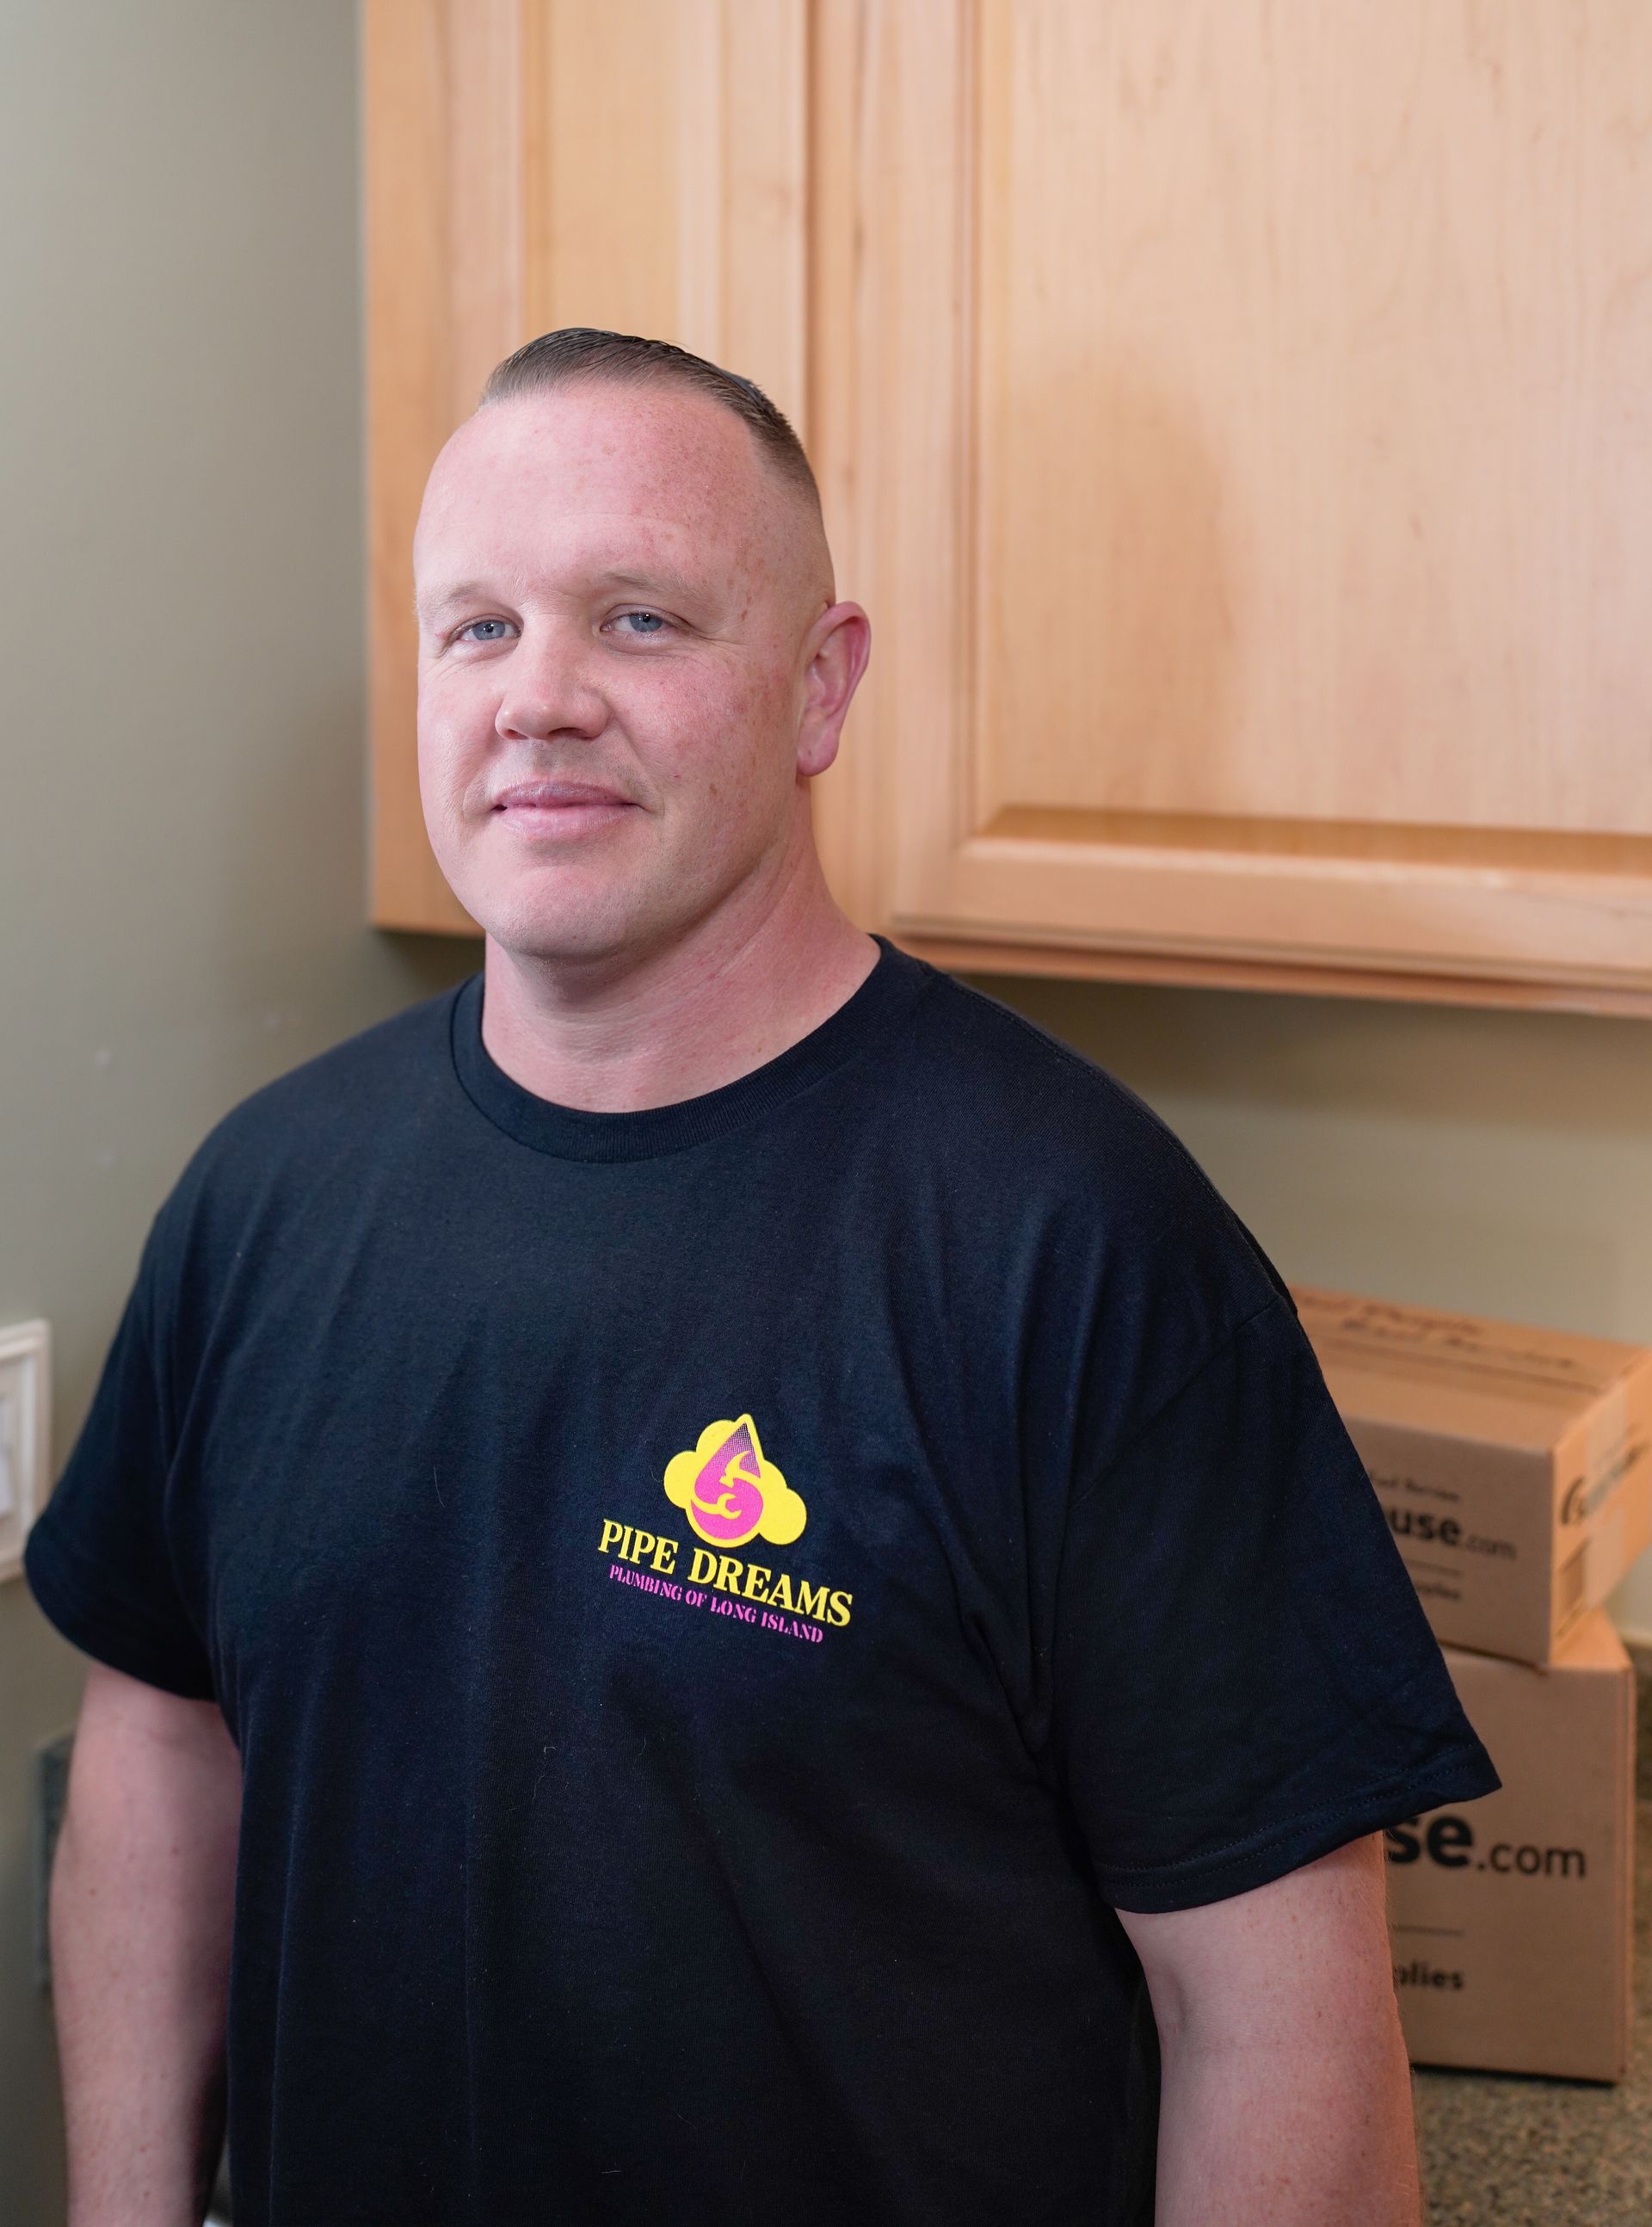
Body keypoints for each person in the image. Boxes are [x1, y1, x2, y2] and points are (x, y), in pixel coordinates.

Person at [28, 328, 1498, 2227]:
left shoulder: (1076, 1246)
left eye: (637, 619)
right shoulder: (264, 1197)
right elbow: (160, 1741)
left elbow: (1280, 2022)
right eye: (478, 629)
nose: (539, 698)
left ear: (820, 686)